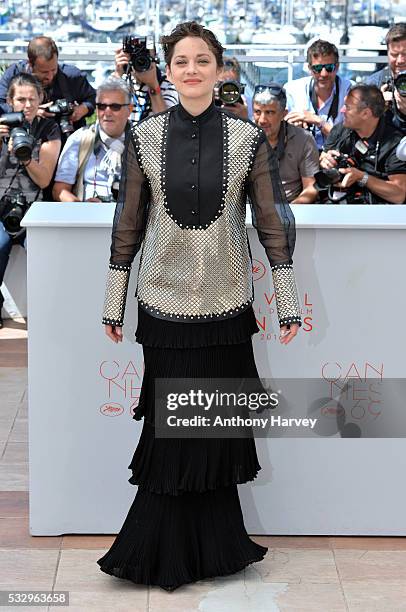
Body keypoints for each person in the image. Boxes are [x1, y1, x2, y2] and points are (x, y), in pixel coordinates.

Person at [97, 21, 301, 591]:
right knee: (171, 430)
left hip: (227, 307)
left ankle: (216, 549)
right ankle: (160, 549)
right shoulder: (143, 137)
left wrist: (286, 305)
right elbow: (128, 225)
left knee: (211, 431)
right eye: (181, 61)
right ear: (168, 71)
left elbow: (270, 223)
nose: (191, 69)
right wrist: (114, 303)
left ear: (219, 69)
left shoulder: (246, 140)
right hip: (162, 308)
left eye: (202, 60)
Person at [0, 74, 61, 328]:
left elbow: (45, 179)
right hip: (2, 208)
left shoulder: (49, 130)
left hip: (34, 211)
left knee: (48, 256)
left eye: (32, 99)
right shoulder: (1, 126)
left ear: (41, 100)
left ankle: (50, 310)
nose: (26, 105)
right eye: (21, 99)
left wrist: (24, 156)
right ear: (9, 101)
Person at [320, 84, 406, 204]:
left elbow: (399, 194)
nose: (342, 110)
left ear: (366, 113)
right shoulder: (341, 129)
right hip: (337, 202)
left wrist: (362, 178)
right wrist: (326, 160)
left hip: (376, 212)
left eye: (347, 107)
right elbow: (323, 157)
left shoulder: (395, 142)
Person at [53, 78, 132, 203]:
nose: (107, 112)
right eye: (101, 106)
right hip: (89, 218)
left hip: (131, 218)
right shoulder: (80, 138)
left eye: (115, 107)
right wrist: (83, 208)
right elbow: (59, 190)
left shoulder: (142, 141)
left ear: (129, 110)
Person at [0, 36, 96, 132]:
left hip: (65, 136)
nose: (50, 76)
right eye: (44, 72)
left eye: (54, 70)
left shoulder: (71, 76)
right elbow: (1, 104)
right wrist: (30, 112)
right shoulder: (14, 74)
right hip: (24, 135)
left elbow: (93, 97)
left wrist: (83, 109)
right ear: (30, 64)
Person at [253, 82, 319, 203]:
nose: (262, 120)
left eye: (269, 112)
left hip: (290, 209)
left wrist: (288, 213)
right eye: (257, 112)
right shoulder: (242, 138)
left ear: (284, 114)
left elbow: (311, 188)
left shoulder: (303, 140)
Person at [283, 39, 352, 150]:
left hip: (336, 156)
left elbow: (348, 142)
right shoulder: (292, 89)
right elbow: (279, 133)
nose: (323, 74)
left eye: (329, 68)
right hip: (302, 156)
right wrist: (293, 128)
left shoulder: (350, 91)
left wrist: (317, 121)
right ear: (310, 69)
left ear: (337, 67)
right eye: (317, 69)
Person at [113, 41, 178, 123]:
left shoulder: (168, 83)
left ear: (155, 57)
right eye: (134, 55)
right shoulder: (121, 81)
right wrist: (117, 74)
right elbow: (106, 112)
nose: (140, 60)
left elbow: (166, 123)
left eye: (146, 54)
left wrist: (153, 85)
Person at [366, 23, 406, 134]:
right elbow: (357, 128)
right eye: (394, 54)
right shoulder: (373, 84)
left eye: (405, 54)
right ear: (387, 54)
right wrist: (376, 109)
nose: (400, 60)